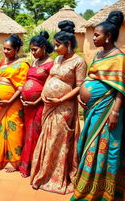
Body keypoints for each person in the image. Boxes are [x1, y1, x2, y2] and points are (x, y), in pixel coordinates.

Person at [71, 11, 125, 201]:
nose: (93, 38)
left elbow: (121, 87)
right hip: (92, 109)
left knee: (103, 147)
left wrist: (116, 112)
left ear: (108, 36)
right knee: (88, 143)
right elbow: (91, 76)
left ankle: (100, 190)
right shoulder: (100, 54)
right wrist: (82, 95)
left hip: (107, 110)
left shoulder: (119, 58)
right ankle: (86, 184)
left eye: (96, 35)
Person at [30, 20, 87, 194]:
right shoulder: (58, 59)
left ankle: (56, 176)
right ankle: (43, 172)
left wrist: (60, 99)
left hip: (64, 108)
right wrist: (43, 94)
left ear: (68, 44)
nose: (54, 49)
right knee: (47, 138)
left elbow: (79, 86)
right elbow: (50, 77)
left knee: (58, 139)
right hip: (49, 105)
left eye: (57, 45)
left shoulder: (79, 62)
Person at [0, 34, 29, 172]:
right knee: (2, 130)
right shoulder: (2, 62)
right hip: (0, 103)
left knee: (14, 130)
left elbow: (21, 88)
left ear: (17, 49)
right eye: (4, 49)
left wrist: (9, 101)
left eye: (9, 49)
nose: (5, 52)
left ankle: (15, 162)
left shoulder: (22, 65)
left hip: (12, 103)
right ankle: (1, 158)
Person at [19, 31, 54, 177]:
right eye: (31, 50)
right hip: (27, 105)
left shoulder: (52, 63)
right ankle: (25, 164)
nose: (32, 53)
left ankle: (35, 166)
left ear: (44, 47)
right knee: (27, 133)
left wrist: (37, 100)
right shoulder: (34, 62)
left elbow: (49, 85)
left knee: (35, 133)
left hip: (39, 104)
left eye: (35, 49)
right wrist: (23, 98)